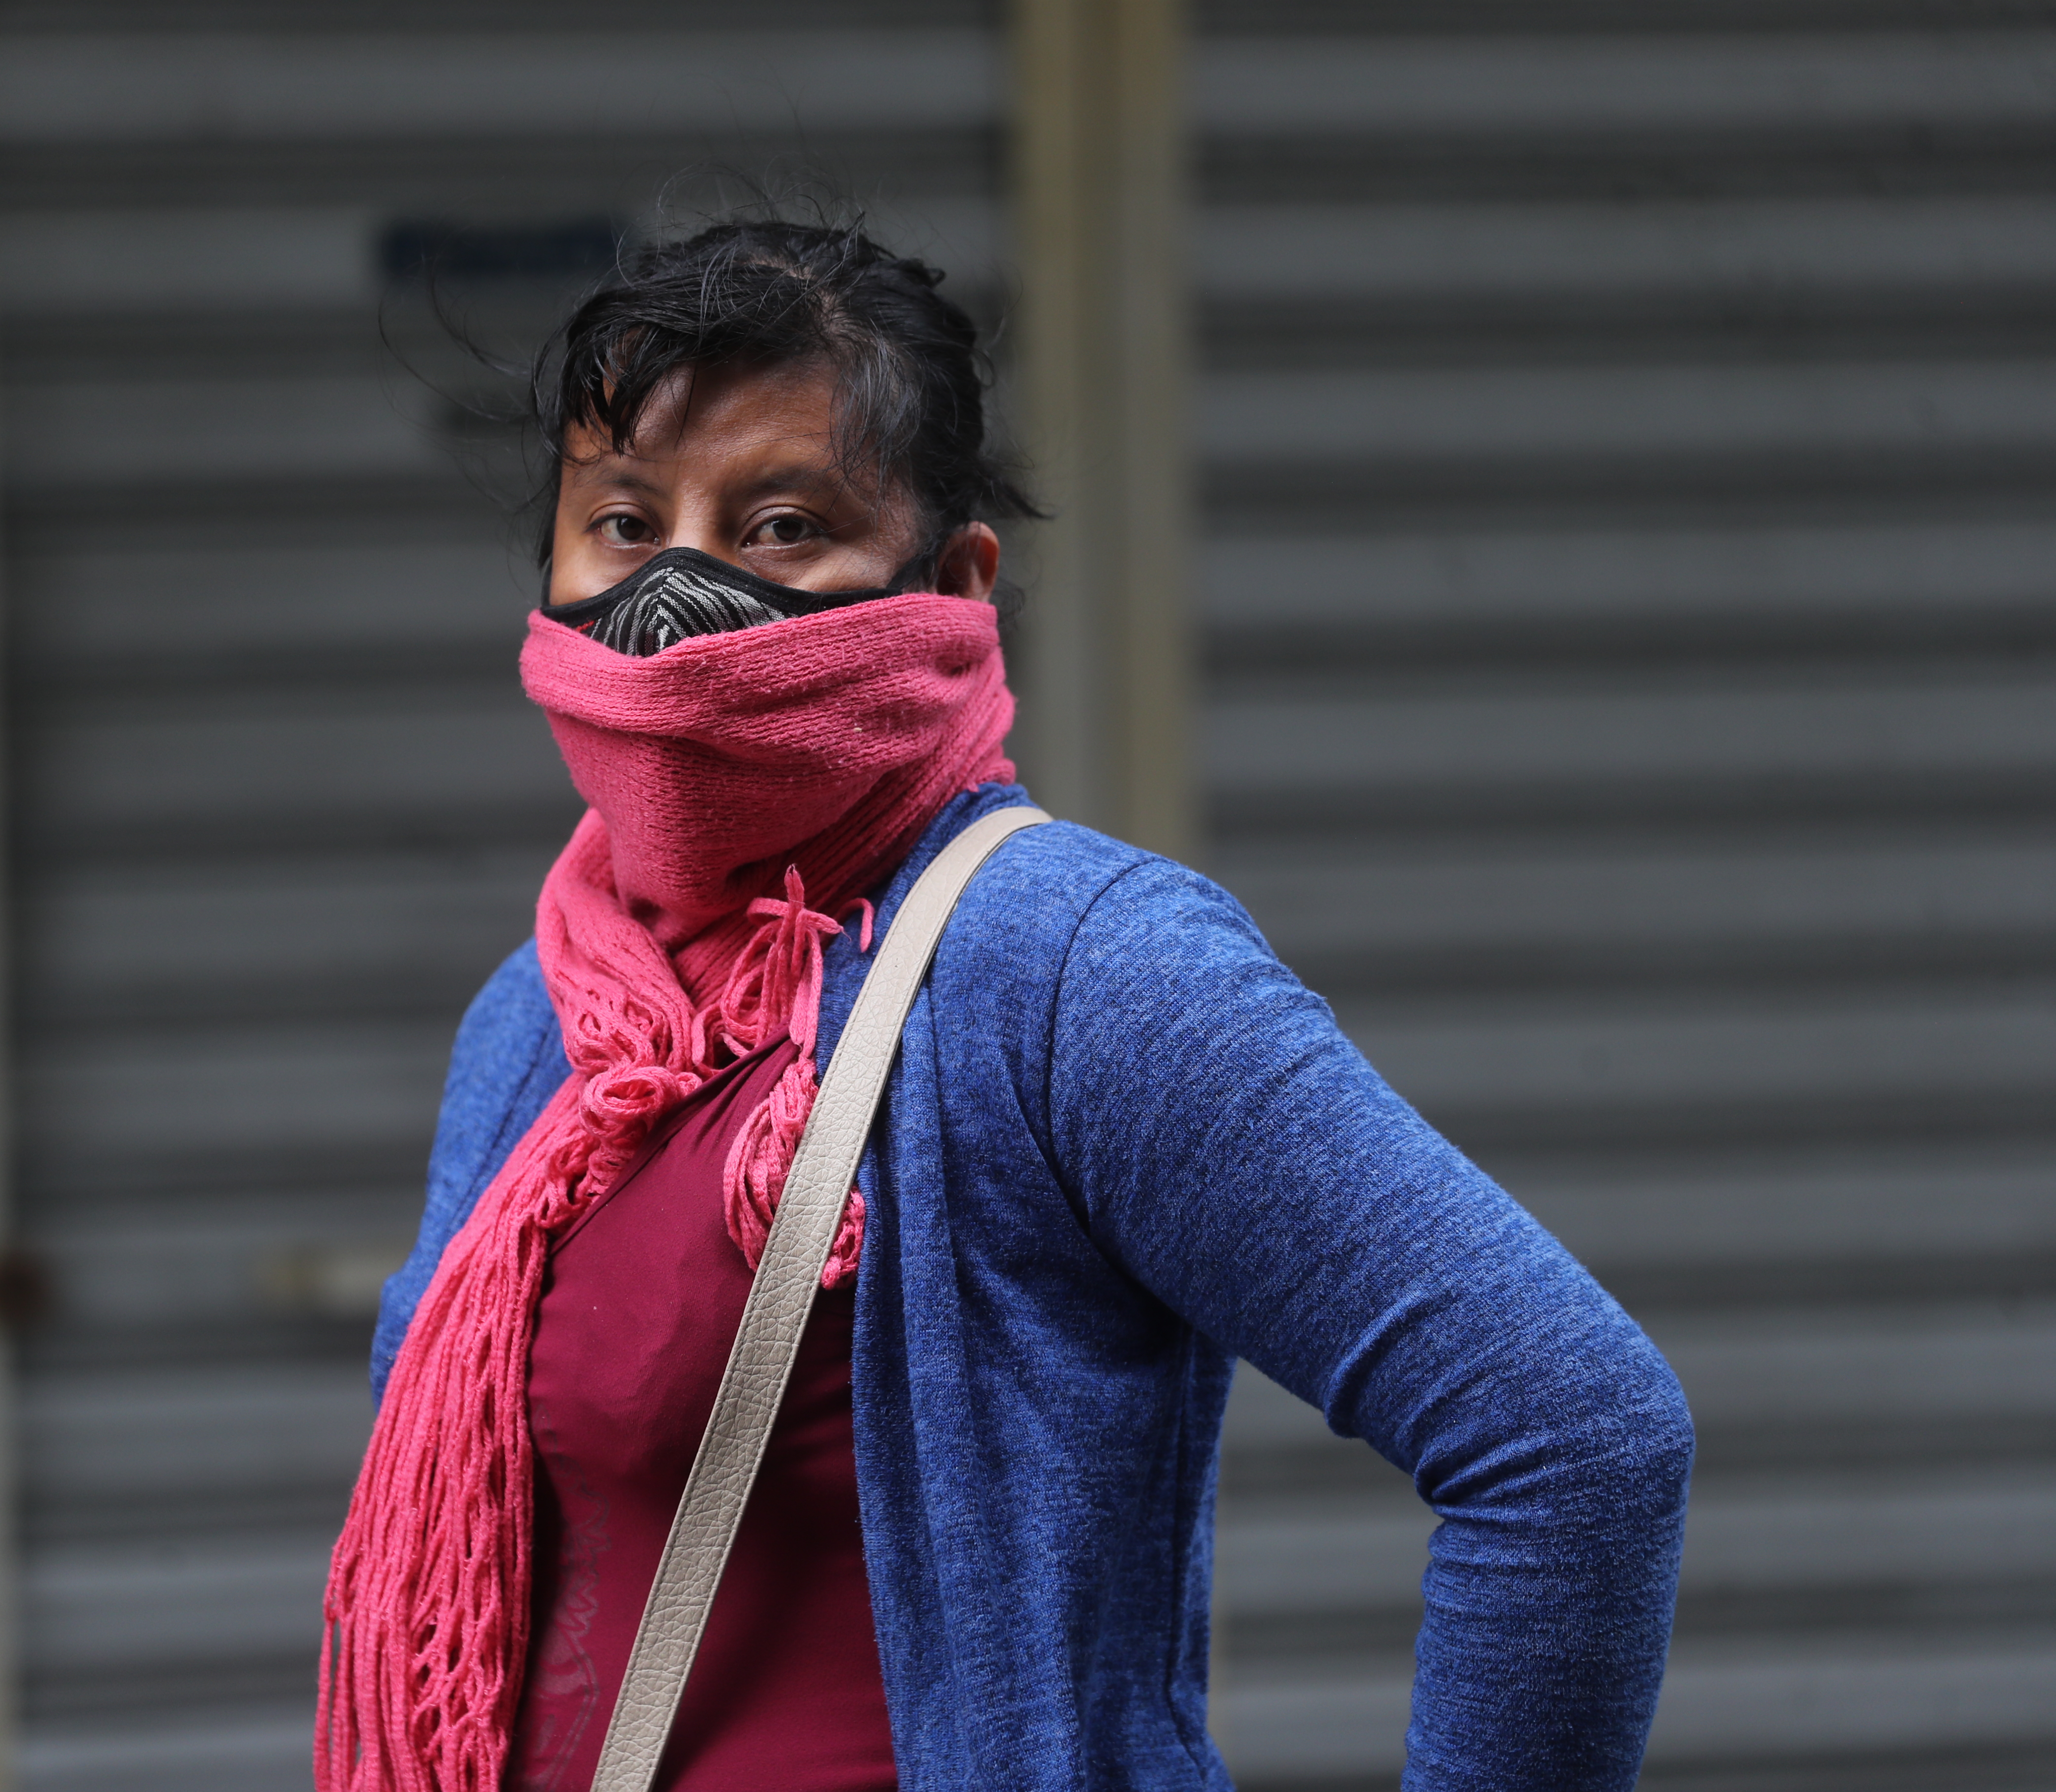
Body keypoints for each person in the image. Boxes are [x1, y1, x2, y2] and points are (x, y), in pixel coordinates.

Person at [319, 219, 1692, 1792]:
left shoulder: (1073, 971)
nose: (677, 600)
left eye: (777, 526)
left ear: (956, 579)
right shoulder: (542, 1017)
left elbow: (1576, 1444)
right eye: (624, 524)